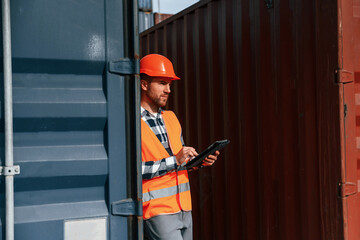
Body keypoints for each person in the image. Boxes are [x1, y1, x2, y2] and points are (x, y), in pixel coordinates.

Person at [140, 53, 220, 240]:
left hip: (184, 207)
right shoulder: (131, 123)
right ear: (144, 84)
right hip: (157, 210)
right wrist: (174, 160)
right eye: (162, 83)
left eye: (170, 84)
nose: (168, 90)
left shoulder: (171, 118)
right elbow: (132, 172)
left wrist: (198, 161)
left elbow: (178, 164)